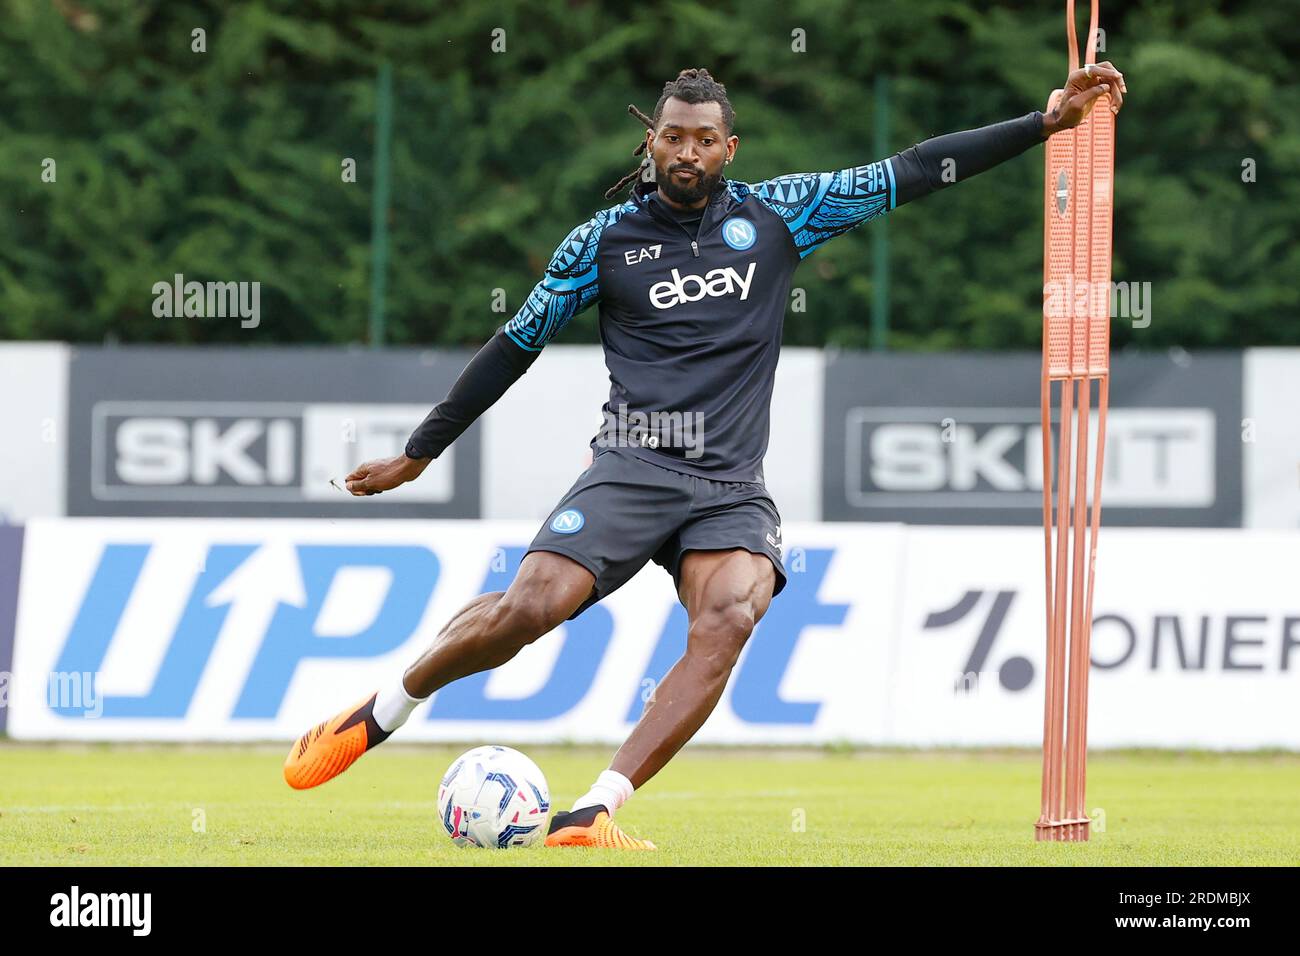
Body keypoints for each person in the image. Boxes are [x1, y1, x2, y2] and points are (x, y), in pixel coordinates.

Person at [284, 63, 1126, 850]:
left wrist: (1045, 123)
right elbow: (515, 344)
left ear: (730, 148)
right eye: (672, 136)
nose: (686, 152)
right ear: (649, 140)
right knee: (530, 609)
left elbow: (910, 169)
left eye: (703, 139)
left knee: (730, 615)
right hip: (631, 466)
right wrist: (420, 451)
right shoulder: (600, 243)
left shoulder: (780, 214)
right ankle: (380, 713)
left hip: (728, 489)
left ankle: (595, 811)